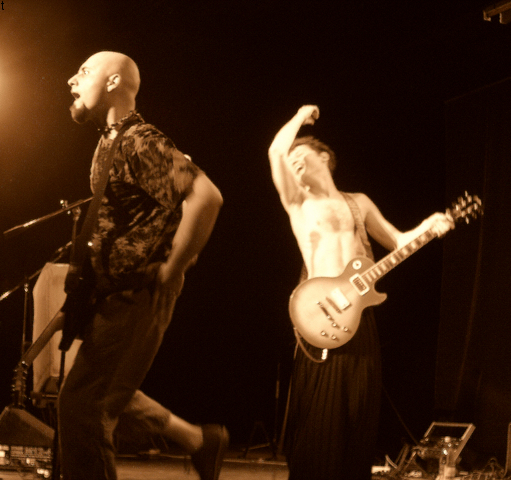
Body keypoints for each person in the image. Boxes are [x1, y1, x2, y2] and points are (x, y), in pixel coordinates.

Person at [57, 51, 227, 480]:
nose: (71, 80)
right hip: (114, 293)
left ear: (113, 82)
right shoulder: (110, 140)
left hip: (138, 292)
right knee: (100, 394)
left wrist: (174, 267)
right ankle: (199, 441)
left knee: (84, 407)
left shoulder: (139, 140)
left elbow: (206, 197)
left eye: (84, 72)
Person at [268, 105, 453, 480]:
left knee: (359, 408)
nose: (294, 162)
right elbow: (275, 151)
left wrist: (429, 226)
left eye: (301, 154)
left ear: (324, 157)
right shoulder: (299, 202)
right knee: (320, 414)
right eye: (292, 159)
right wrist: (301, 116)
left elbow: (398, 241)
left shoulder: (359, 202)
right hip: (320, 318)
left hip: (359, 316)